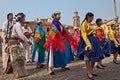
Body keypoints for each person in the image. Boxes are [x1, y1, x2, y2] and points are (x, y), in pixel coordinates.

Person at [77, 12, 103, 80]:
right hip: (86, 41)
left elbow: (93, 32)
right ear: (89, 17)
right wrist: (88, 44)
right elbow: (84, 35)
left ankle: (91, 70)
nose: (92, 19)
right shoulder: (83, 24)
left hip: (93, 40)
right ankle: (88, 72)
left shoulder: (90, 24)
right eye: (92, 18)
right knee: (87, 58)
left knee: (94, 56)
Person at [5, 12, 31, 78]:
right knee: (17, 59)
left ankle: (15, 72)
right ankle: (19, 73)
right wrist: (28, 41)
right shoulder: (17, 25)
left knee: (15, 58)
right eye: (23, 18)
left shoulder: (18, 24)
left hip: (15, 41)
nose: (24, 19)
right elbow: (21, 35)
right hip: (13, 42)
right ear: (20, 18)